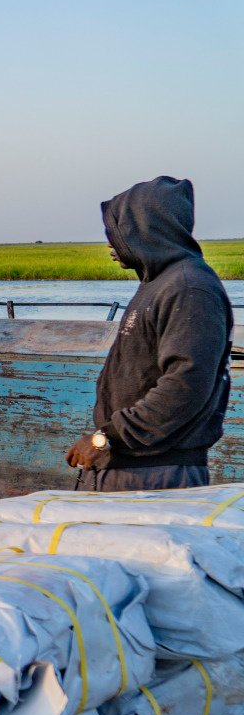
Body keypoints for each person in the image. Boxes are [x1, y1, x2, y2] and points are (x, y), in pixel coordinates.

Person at [67, 177, 232, 490]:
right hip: (130, 466)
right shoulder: (157, 284)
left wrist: (106, 437)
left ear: (144, 230)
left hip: (155, 474)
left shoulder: (188, 288)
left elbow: (185, 383)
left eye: (116, 232)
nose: (110, 244)